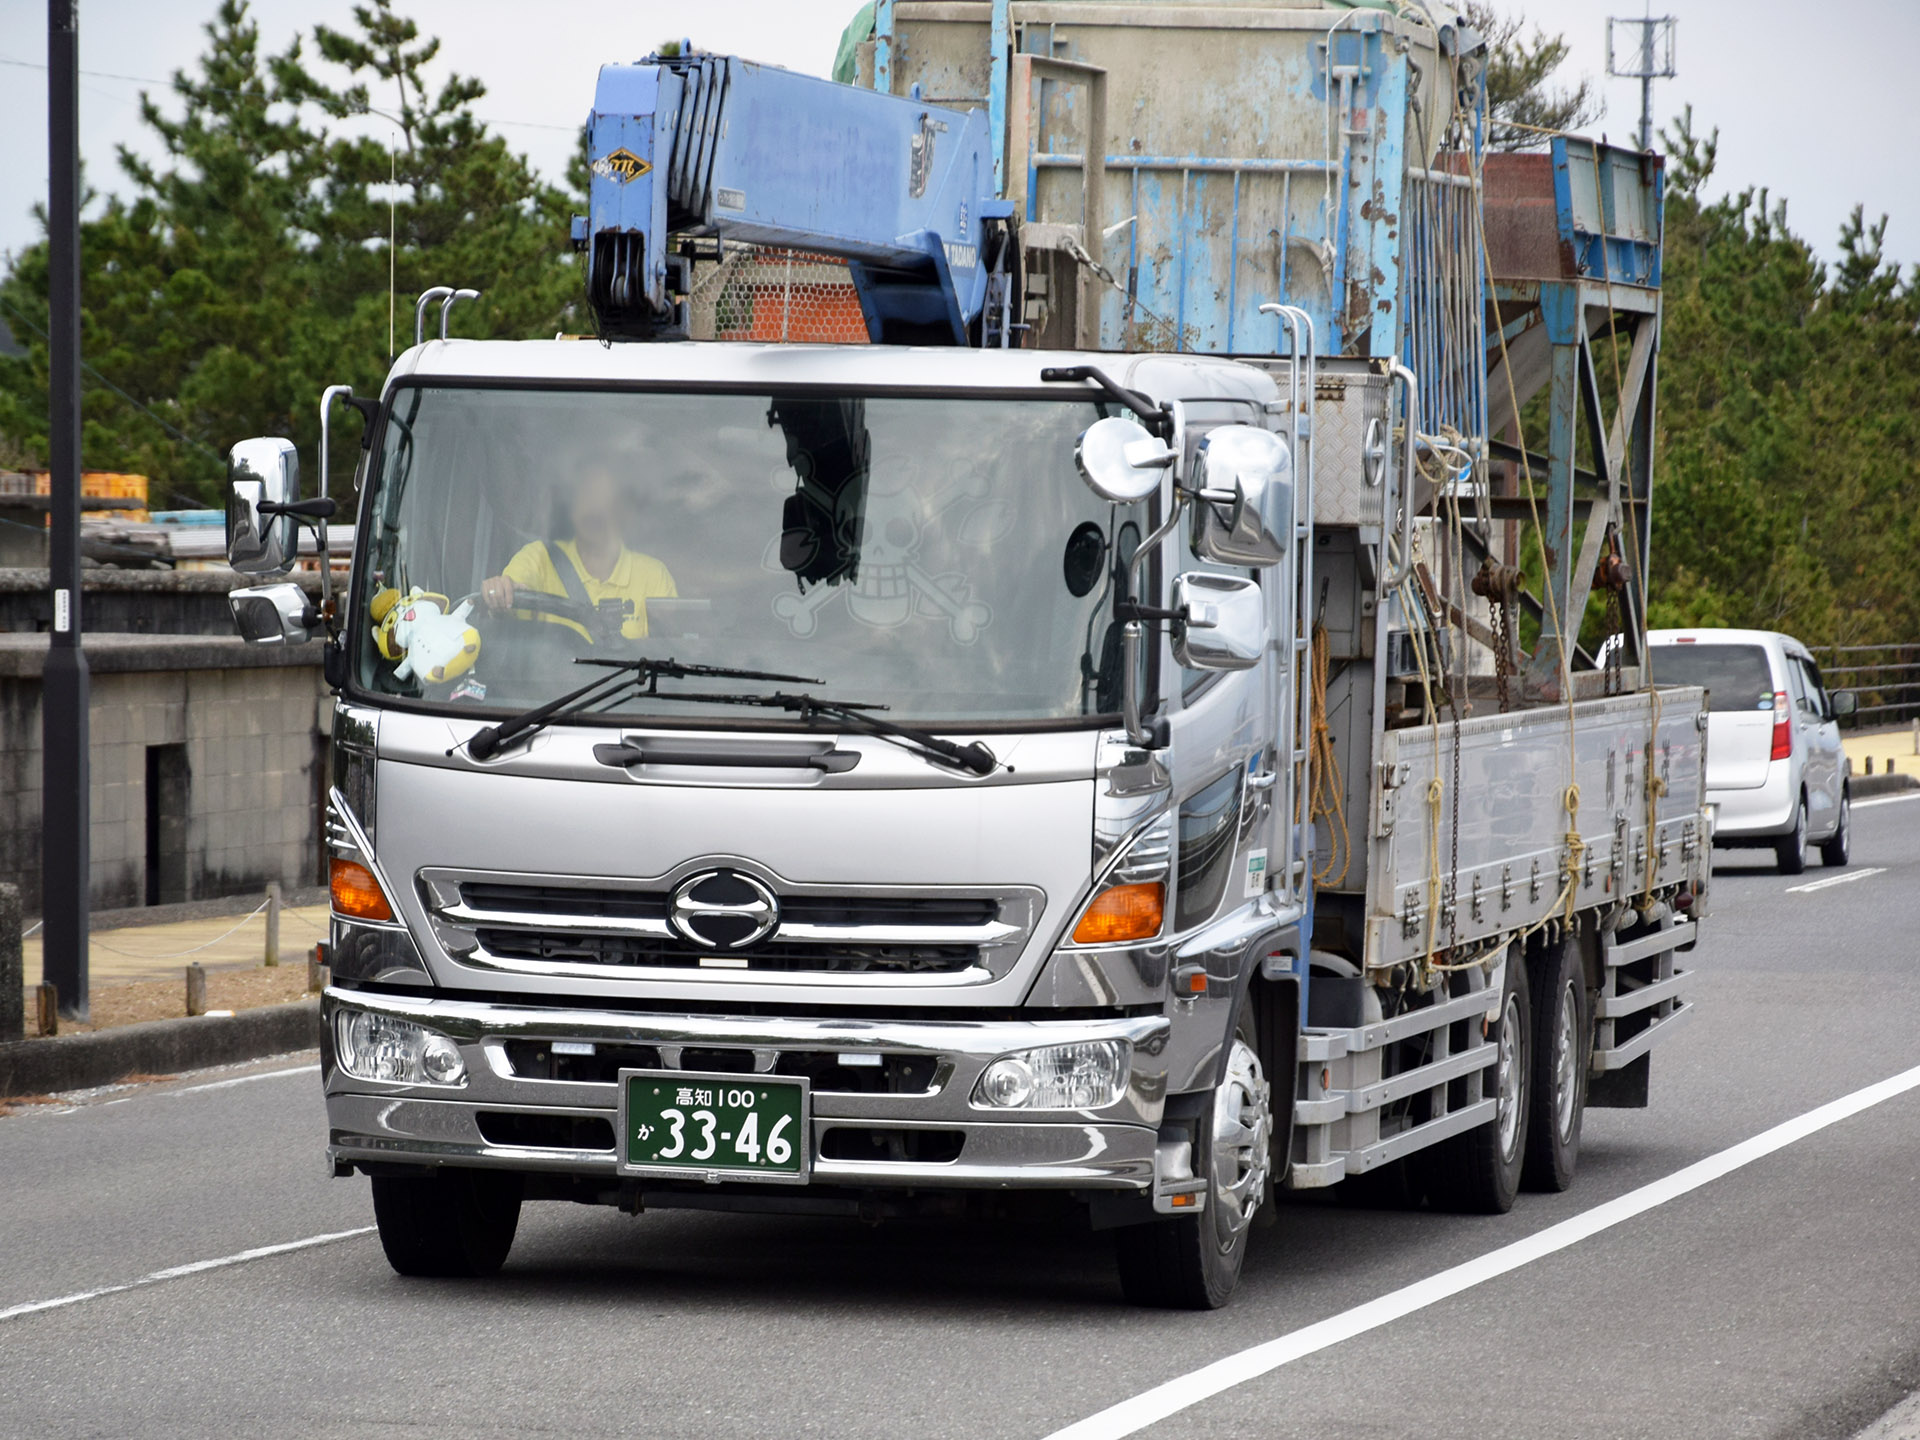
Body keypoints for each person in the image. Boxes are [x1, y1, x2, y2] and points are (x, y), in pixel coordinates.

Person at [481, 464, 676, 641]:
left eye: (606, 501)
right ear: (571, 508)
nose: (595, 512)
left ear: (624, 512)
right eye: (587, 499)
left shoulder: (654, 575)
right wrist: (501, 592)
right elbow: (511, 601)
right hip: (545, 680)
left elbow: (670, 653)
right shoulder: (539, 557)